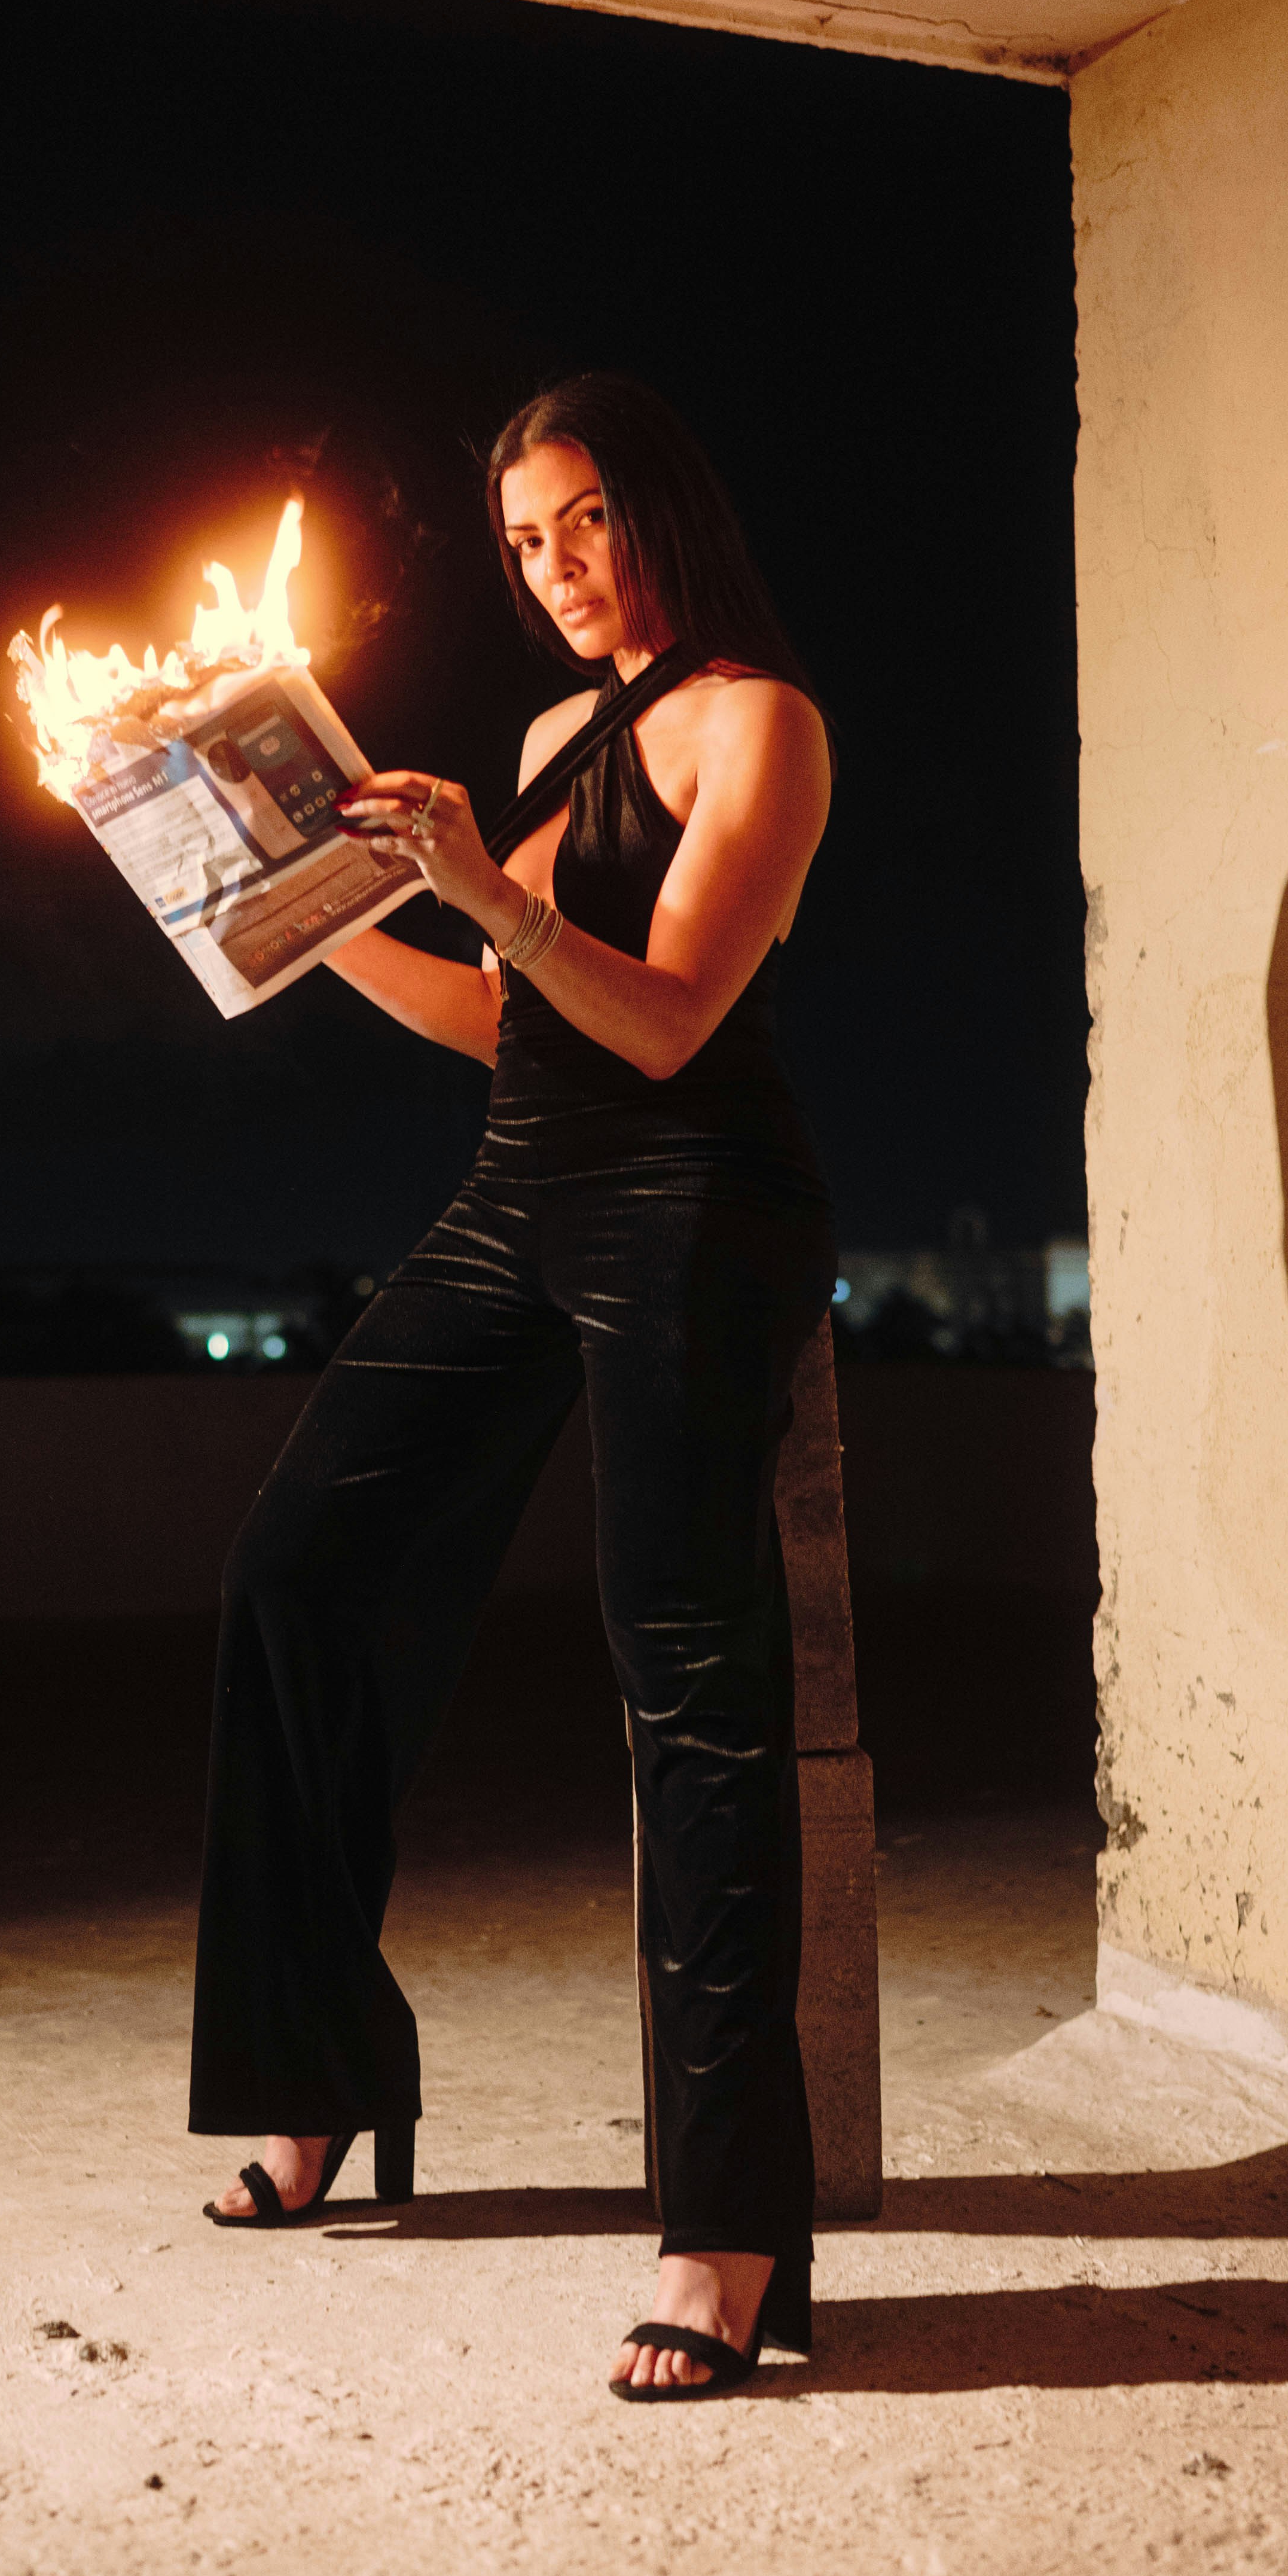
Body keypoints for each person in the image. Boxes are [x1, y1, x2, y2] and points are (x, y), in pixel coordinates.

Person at [187, 372, 835, 2398]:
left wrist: (477, 886)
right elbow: (503, 1020)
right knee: (297, 1570)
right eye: (519, 544)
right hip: (516, 1193)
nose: (551, 573)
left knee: (689, 1680)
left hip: (690, 1203)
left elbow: (657, 1025)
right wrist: (279, 923)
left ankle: (727, 2234)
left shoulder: (764, 724)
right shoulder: (561, 735)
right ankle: (317, 2076)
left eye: (580, 525)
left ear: (658, 509)